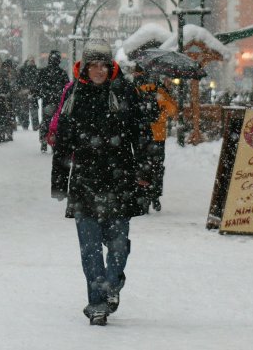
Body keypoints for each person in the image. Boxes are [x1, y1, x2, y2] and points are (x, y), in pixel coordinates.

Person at [53, 42, 149, 326]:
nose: (98, 70)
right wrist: (59, 180)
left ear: (110, 67)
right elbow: (63, 141)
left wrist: (144, 169)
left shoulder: (124, 92)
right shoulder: (74, 95)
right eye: (93, 65)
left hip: (119, 179)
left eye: (103, 65)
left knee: (118, 245)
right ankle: (97, 302)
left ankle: (113, 283)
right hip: (84, 180)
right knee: (90, 247)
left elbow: (140, 133)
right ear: (84, 67)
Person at [134, 73, 178, 212]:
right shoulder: (160, 92)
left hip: (140, 135)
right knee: (157, 167)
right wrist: (160, 117)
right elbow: (172, 110)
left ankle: (143, 197)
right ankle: (155, 196)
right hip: (157, 135)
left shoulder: (136, 91)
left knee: (141, 166)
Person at [37, 50, 70, 152]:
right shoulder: (62, 73)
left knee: (46, 121)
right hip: (58, 101)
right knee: (56, 122)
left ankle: (44, 140)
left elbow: (38, 87)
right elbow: (67, 87)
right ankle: (53, 141)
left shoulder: (43, 72)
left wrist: (43, 94)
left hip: (47, 100)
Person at [16, 58, 39, 130]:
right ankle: (31, 125)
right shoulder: (33, 71)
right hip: (29, 92)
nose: (32, 62)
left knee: (28, 109)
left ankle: (28, 124)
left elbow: (19, 81)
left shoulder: (25, 71)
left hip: (29, 92)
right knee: (29, 109)